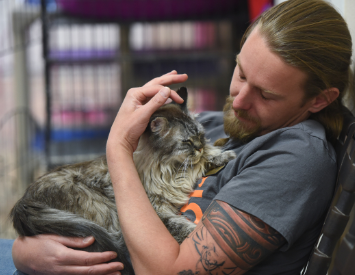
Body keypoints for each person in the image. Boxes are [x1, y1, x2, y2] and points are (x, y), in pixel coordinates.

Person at [9, 0, 353, 274]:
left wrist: (119, 149)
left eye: (266, 94)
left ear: (320, 99)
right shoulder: (218, 124)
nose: (239, 99)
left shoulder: (295, 157)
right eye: (241, 72)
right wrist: (23, 251)